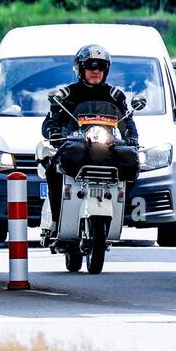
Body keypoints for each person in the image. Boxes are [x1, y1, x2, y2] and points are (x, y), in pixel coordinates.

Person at [40, 44, 139, 232]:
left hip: (107, 146)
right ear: (80, 68)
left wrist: (132, 138)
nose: (96, 71)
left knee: (132, 160)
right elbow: (51, 120)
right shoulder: (67, 95)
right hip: (78, 145)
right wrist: (54, 131)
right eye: (91, 66)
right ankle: (56, 219)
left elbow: (128, 122)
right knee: (53, 169)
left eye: (101, 67)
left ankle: (119, 211)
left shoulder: (115, 96)